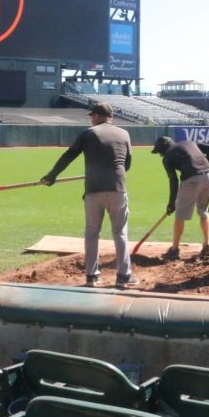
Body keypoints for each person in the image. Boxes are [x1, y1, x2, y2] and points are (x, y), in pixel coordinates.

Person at [41, 103, 138, 289]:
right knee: (120, 233)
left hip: (93, 190)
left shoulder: (88, 133)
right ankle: (124, 277)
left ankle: (92, 276)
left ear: (97, 116)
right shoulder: (124, 133)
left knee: (92, 234)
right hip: (117, 189)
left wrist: (53, 174)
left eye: (91, 116)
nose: (90, 119)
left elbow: (69, 155)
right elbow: (127, 165)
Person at [151, 135, 209, 261]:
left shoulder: (168, 156)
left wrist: (171, 203)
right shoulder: (189, 143)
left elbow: (173, 181)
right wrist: (205, 167)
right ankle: (207, 246)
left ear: (164, 149)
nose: (161, 155)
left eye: (160, 152)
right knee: (203, 211)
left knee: (180, 215)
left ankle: (174, 250)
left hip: (191, 180)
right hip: (208, 175)